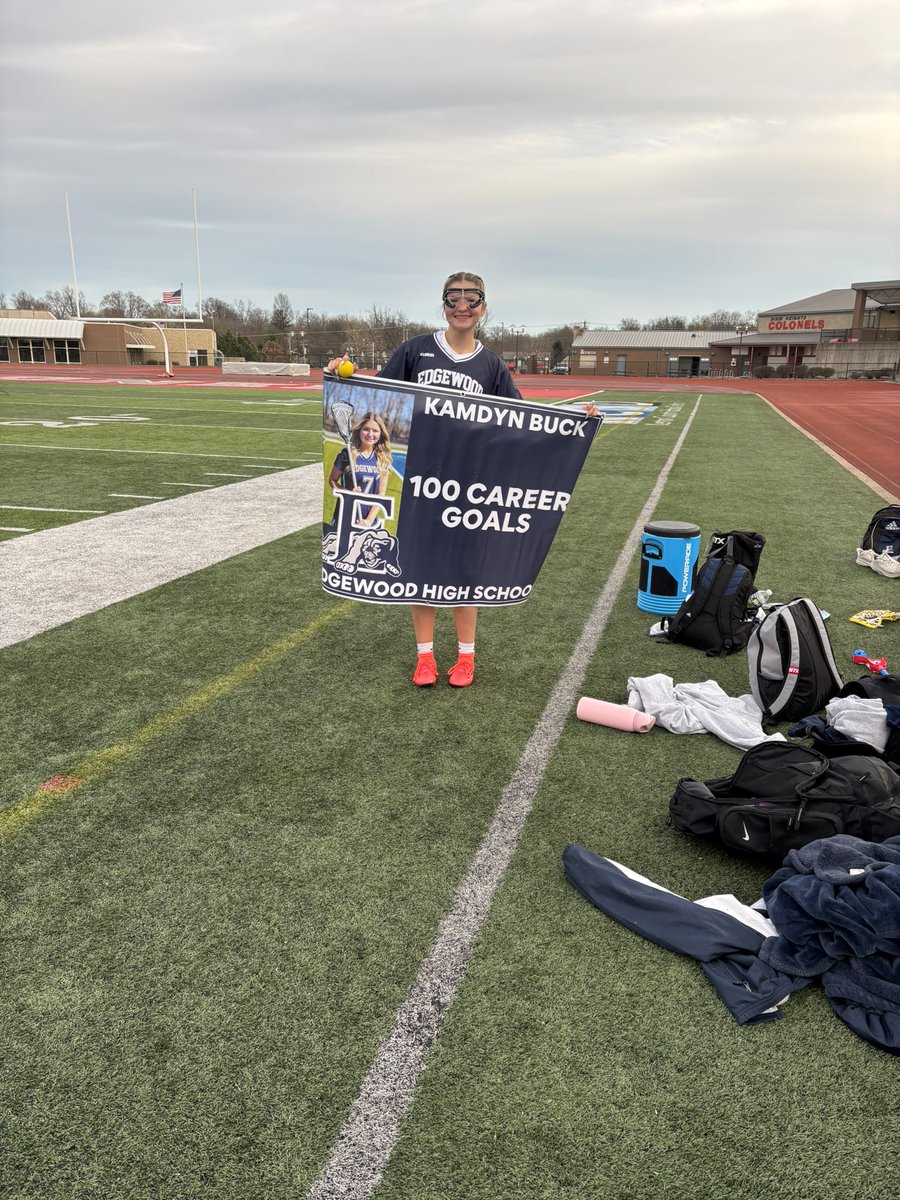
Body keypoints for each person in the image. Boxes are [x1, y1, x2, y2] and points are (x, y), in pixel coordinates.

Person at [327, 270, 597, 690]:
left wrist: (573, 423)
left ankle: (466, 659)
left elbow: (522, 422)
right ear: (443, 305)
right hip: (420, 483)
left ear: (483, 309)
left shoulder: (490, 364)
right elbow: (376, 397)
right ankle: (425, 657)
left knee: (466, 575)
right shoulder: (416, 351)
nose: (463, 307)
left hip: (468, 486)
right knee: (417, 571)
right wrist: (342, 377)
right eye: (454, 299)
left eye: (473, 300)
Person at [327, 410, 392, 528]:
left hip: (369, 523)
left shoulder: (383, 459)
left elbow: (380, 493)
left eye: (375, 430)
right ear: (360, 430)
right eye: (366, 429)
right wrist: (348, 493)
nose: (370, 434)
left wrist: (368, 520)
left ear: (381, 433)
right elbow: (332, 480)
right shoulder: (347, 454)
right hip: (344, 517)